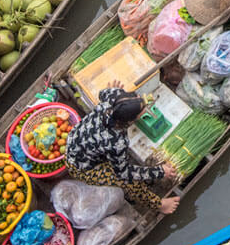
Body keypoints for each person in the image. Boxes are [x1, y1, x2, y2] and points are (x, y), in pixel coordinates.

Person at [65, 80, 180, 214]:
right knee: (130, 182)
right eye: (141, 111)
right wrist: (159, 172)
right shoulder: (117, 141)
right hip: (82, 167)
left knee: (123, 166)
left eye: (137, 97)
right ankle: (158, 205)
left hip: (76, 145)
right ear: (130, 121)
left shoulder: (112, 97)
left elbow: (103, 93)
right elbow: (123, 173)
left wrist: (117, 91)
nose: (144, 106)